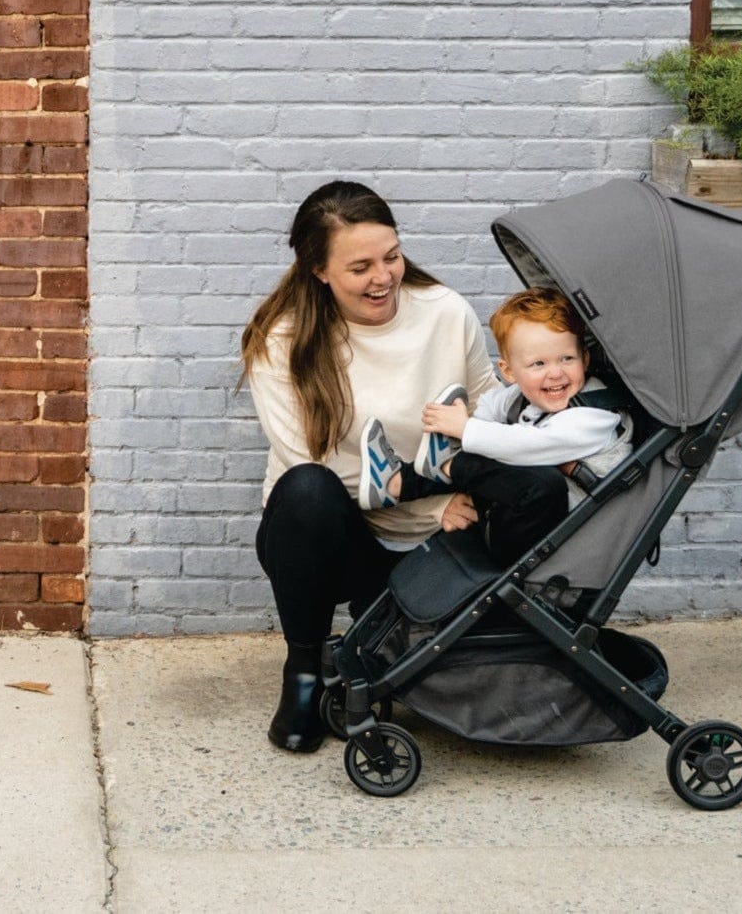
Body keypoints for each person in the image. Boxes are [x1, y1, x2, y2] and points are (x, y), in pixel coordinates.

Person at [239, 180, 498, 753]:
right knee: (306, 488)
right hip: (335, 540)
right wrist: (430, 502)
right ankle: (303, 669)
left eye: (392, 256)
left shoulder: (445, 312)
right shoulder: (281, 340)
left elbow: (487, 407)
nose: (384, 277)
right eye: (360, 267)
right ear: (319, 270)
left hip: (438, 540)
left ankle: (381, 636)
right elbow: (310, 463)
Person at [358, 287, 633, 565]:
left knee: (535, 479)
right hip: (510, 515)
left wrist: (466, 431)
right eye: (538, 363)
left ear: (585, 359)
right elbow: (492, 404)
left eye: (567, 359)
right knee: (490, 447)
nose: (555, 372)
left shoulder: (594, 417)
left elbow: (529, 445)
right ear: (509, 372)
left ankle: (438, 467)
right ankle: (393, 481)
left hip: (556, 537)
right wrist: (470, 424)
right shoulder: (523, 396)